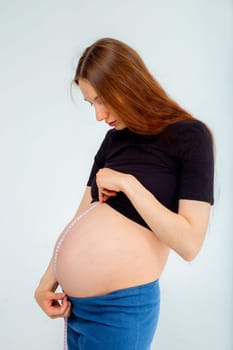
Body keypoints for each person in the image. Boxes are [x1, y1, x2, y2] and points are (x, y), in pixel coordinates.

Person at [35, 38, 214, 350]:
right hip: (75, 309)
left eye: (102, 100)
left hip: (120, 311)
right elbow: (80, 217)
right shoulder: (113, 142)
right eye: (92, 104)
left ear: (129, 84)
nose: (99, 116)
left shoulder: (190, 137)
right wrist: (46, 282)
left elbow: (189, 244)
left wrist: (130, 185)